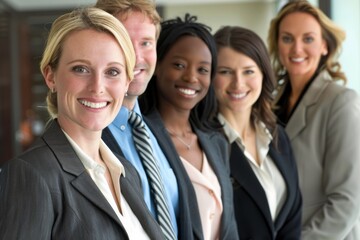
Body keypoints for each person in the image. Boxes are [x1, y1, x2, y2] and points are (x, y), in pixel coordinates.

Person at [0, 7, 164, 240]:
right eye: (81, 69)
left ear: (127, 81)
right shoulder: (32, 174)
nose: (97, 87)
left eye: (112, 71)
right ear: (50, 75)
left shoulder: (126, 172)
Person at [95, 1, 193, 239]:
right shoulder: (86, 136)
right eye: (125, 42)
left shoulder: (156, 129)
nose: (137, 57)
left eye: (146, 43)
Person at [139, 14, 239, 240]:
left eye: (202, 70)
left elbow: (228, 226)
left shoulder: (217, 143)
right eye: (179, 65)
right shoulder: (141, 139)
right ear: (157, 65)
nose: (191, 77)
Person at [268, 1, 360, 239]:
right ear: (277, 44)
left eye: (308, 39)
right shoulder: (270, 103)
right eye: (287, 38)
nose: (296, 49)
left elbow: (348, 200)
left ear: (325, 46)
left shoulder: (340, 102)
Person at [213, 25, 302, 239]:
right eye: (225, 72)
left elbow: (293, 215)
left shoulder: (277, 135)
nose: (238, 83)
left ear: (263, 74)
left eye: (248, 71)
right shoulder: (203, 143)